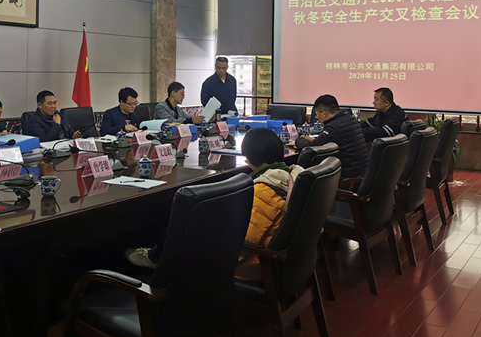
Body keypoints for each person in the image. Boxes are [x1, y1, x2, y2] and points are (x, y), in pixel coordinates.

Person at [125, 128, 298, 280]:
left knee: (188, 220)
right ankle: (157, 256)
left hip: (252, 267)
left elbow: (243, 241)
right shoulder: (292, 176)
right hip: (282, 262)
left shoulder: (265, 190)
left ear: (249, 159)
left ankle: (158, 260)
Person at [294, 94, 368, 180]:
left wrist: (298, 139)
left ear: (323, 113)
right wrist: (312, 139)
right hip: (361, 172)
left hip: (348, 177)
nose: (317, 118)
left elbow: (309, 147)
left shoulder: (334, 127)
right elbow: (328, 140)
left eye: (317, 115)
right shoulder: (349, 119)